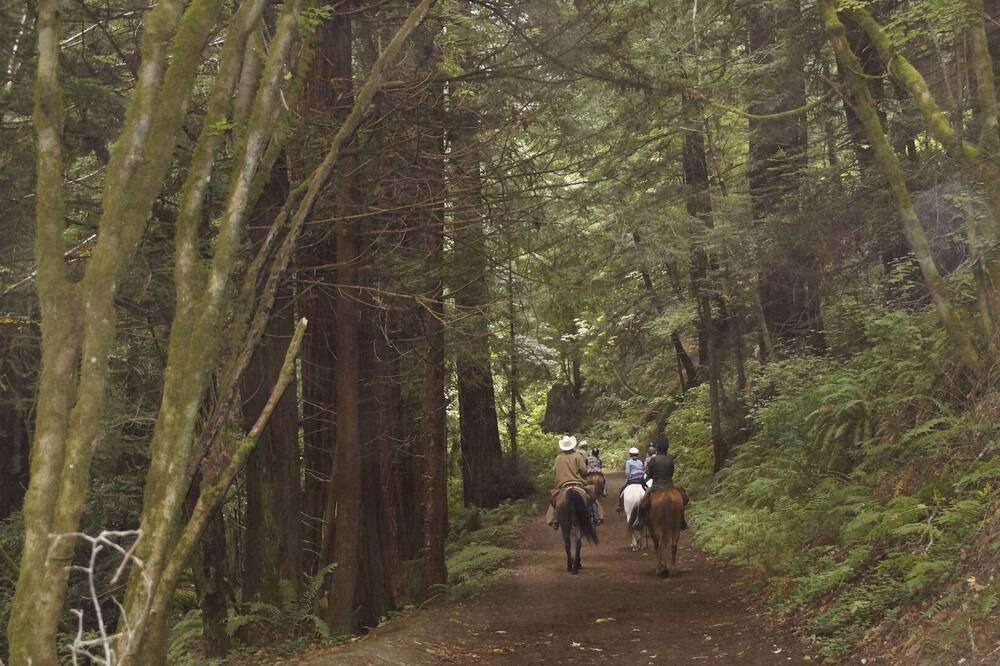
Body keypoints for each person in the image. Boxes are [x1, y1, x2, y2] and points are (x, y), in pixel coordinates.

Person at [545, 435, 605, 529]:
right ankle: (596, 517)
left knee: (555, 501)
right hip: (578, 483)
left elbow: (555, 471)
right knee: (592, 498)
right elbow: (584, 471)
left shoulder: (558, 458)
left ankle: (555, 520)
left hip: (563, 484)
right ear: (572, 445)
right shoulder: (578, 456)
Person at [632, 435, 687, 531]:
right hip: (670, 484)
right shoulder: (670, 459)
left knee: (642, 503)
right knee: (684, 498)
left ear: (657, 448)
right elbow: (671, 473)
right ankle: (682, 520)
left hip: (656, 485)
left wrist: (644, 481)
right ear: (667, 447)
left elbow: (649, 475)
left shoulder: (653, 460)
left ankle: (640, 521)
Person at [616, 447, 646, 513]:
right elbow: (643, 470)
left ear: (630, 455)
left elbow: (627, 473)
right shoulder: (640, 462)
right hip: (640, 480)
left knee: (622, 489)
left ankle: (620, 505)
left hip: (631, 479)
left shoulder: (628, 462)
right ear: (637, 455)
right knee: (647, 489)